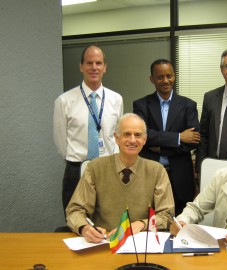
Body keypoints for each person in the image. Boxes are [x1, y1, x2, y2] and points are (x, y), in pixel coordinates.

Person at [66, 113, 175, 243]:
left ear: (145, 140)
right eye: (127, 134)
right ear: (116, 138)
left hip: (140, 245)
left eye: (138, 135)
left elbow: (167, 215)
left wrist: (140, 224)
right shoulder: (95, 168)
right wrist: (85, 228)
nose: (133, 140)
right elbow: (75, 210)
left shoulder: (157, 171)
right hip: (103, 243)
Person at [54, 45, 123, 213]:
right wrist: (79, 162)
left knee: (108, 218)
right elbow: (61, 143)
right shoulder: (64, 101)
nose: (94, 67)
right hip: (76, 170)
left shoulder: (116, 99)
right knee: (75, 222)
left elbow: (117, 136)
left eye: (98, 63)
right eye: (89, 63)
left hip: (108, 169)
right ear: (81, 66)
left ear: (105, 67)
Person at [133, 59, 200, 216]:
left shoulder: (188, 105)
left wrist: (159, 145)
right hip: (149, 175)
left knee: (180, 223)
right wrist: (178, 137)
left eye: (169, 76)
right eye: (160, 77)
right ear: (152, 79)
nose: (165, 81)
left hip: (180, 176)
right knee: (149, 223)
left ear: (174, 77)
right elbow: (142, 135)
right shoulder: (141, 105)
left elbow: (193, 141)